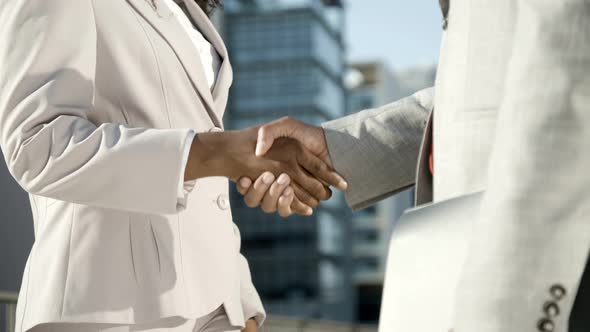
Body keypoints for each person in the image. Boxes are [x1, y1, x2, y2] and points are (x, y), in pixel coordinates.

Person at [237, 0, 590, 330]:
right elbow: (474, 94)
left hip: (542, 268)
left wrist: (512, 302)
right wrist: (334, 149)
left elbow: (569, 82)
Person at [0, 0, 346, 331]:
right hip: (108, 308)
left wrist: (242, 305)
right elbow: (35, 145)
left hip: (216, 309)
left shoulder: (186, 10)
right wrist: (219, 152)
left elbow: (208, 194)